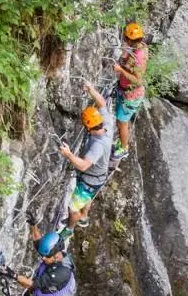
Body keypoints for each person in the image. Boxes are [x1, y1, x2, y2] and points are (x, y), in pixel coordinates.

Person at [59, 82, 114, 232]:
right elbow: (102, 102)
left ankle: (69, 229)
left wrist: (68, 154)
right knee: (87, 197)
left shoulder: (98, 145)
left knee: (72, 207)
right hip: (97, 179)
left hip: (89, 180)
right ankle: (83, 217)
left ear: (88, 127)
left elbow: (83, 165)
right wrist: (91, 90)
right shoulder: (106, 123)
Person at [111, 22, 147, 161]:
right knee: (120, 122)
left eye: (126, 38)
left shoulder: (139, 56)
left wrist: (120, 70)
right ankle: (122, 142)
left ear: (132, 39)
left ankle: (124, 149)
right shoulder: (135, 47)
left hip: (131, 95)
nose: (124, 39)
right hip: (125, 90)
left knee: (122, 122)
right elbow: (127, 59)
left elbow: (138, 80)